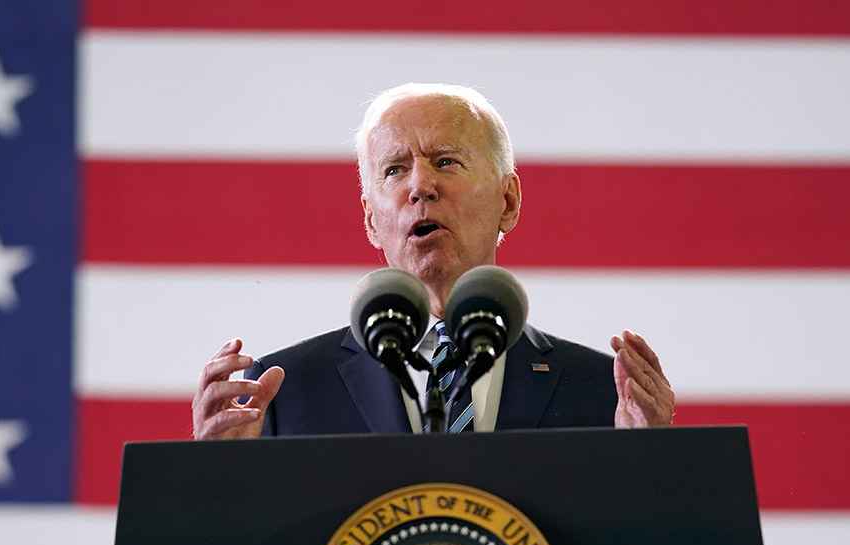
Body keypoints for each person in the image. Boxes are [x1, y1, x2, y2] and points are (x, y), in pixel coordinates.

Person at [192, 83, 674, 440]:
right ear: (370, 220)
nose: (420, 186)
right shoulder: (282, 394)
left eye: (445, 161)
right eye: (394, 169)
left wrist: (649, 467)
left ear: (508, 201)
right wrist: (220, 482)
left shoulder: (601, 395)